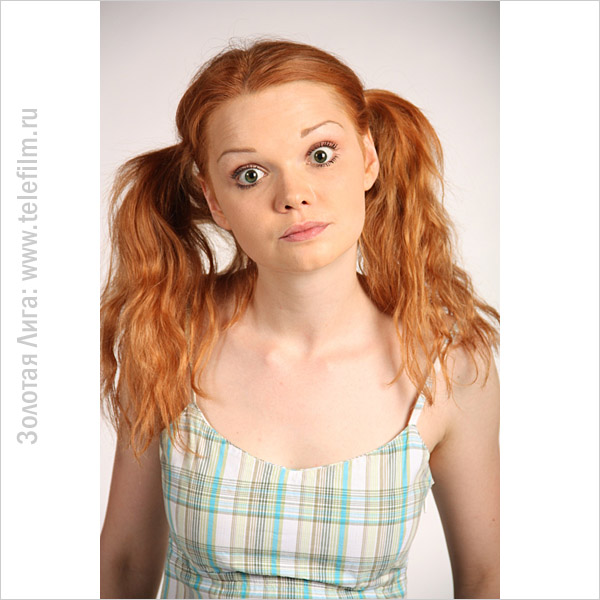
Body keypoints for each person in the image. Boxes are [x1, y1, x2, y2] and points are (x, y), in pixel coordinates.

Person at [100, 39, 499, 599]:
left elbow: (486, 579)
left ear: (368, 157)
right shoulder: (168, 339)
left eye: (320, 154)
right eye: (249, 174)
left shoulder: (450, 366)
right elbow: (122, 567)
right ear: (215, 201)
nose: (294, 195)